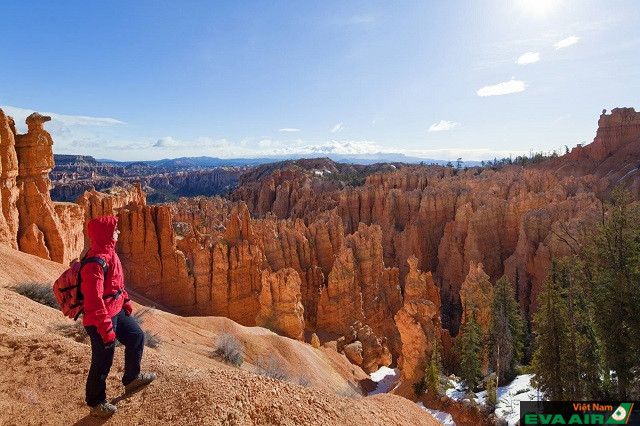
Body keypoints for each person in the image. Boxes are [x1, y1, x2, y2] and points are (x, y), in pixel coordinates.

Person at [81, 216, 156, 418]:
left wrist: (125, 301)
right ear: (105, 234)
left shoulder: (110, 254)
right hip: (100, 317)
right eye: (115, 230)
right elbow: (93, 301)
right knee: (103, 358)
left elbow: (116, 283)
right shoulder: (94, 263)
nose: (118, 232)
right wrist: (105, 327)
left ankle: (132, 379)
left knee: (136, 336)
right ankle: (96, 403)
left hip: (115, 309)